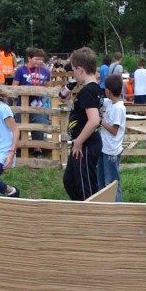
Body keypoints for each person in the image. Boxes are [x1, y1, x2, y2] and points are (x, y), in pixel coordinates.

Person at [61, 47, 102, 201]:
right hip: (81, 145)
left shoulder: (88, 91)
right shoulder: (92, 89)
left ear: (80, 69)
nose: (73, 74)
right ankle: (80, 210)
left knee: (85, 186)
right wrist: (70, 102)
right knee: (70, 181)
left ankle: (89, 218)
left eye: (73, 70)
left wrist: (78, 142)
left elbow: (94, 120)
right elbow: (84, 114)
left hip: (85, 145)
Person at [12, 48, 51, 154]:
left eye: (41, 59)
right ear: (29, 58)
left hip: (38, 105)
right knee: (20, 126)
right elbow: (14, 87)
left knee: (39, 126)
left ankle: (37, 148)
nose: (40, 61)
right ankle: (19, 148)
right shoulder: (21, 70)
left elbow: (48, 89)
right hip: (22, 104)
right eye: (37, 59)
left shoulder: (46, 72)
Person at [98, 74, 125, 202]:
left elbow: (114, 131)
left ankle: (117, 207)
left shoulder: (119, 108)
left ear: (108, 91)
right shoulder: (110, 103)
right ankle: (104, 205)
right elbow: (99, 101)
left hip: (112, 151)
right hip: (105, 148)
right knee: (101, 179)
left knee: (112, 182)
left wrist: (100, 121)